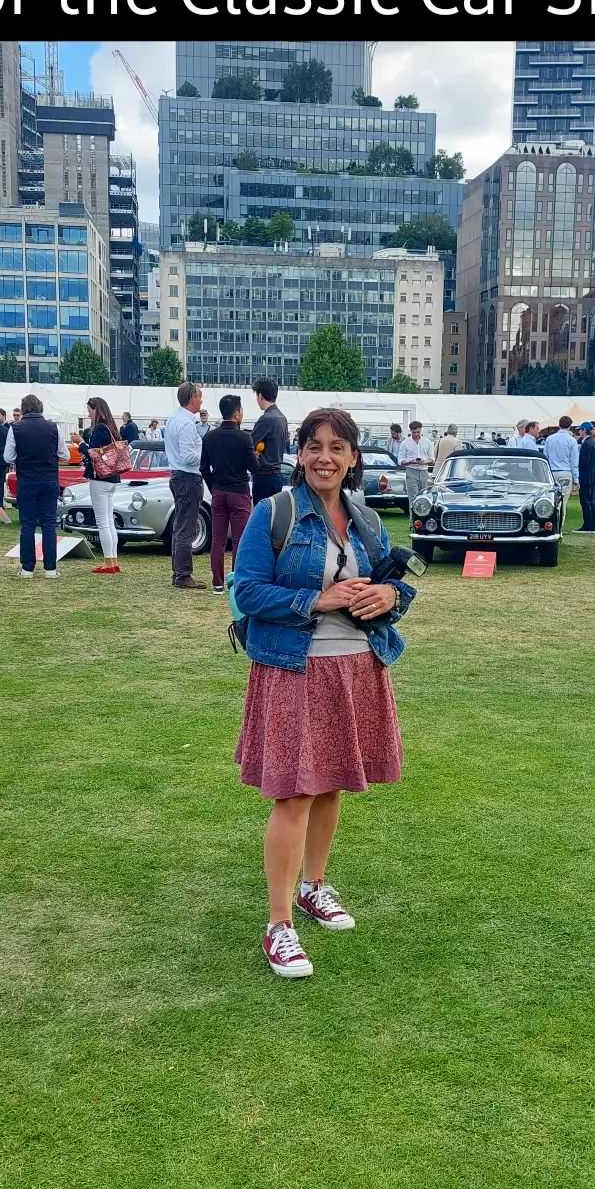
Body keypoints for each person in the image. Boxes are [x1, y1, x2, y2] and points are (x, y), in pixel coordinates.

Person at [234, 407, 416, 980]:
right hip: (295, 667)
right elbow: (247, 592)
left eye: (337, 448)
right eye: (314, 446)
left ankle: (314, 885)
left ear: (353, 457)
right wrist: (317, 600)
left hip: (357, 666)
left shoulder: (365, 516)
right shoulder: (274, 513)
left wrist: (390, 596)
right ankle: (279, 924)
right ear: (300, 454)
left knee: (332, 782)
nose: (325, 458)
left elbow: (392, 581)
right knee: (294, 793)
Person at [4, 395, 69, 580]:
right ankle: (50, 569)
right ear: (41, 408)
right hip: (49, 480)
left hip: (27, 481)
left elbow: (8, 457)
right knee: (49, 524)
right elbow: (64, 455)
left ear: (23, 409)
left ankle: (27, 569)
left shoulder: (15, 428)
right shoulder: (53, 427)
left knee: (27, 524)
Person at [200, 392, 257, 593]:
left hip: (219, 491)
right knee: (240, 540)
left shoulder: (209, 436)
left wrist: (213, 486)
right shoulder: (244, 438)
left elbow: (203, 468)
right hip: (239, 492)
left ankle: (217, 583)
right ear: (237, 413)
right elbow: (254, 467)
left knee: (218, 539)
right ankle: (235, 581)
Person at [164, 381, 207, 589]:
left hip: (178, 476)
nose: (201, 400)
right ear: (192, 398)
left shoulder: (174, 418)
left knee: (180, 526)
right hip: (188, 477)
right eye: (199, 396)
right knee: (186, 528)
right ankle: (183, 574)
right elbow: (188, 457)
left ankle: (179, 571)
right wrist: (206, 454)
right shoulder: (187, 424)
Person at [80, 396, 123, 575]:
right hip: (112, 478)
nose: (88, 414)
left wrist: (80, 444)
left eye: (90, 410)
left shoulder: (99, 428)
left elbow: (93, 453)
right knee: (109, 522)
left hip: (100, 479)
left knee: (103, 522)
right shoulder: (112, 427)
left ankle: (108, 561)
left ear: (96, 409)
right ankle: (113, 560)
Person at [250, 376, 289, 503]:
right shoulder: (283, 418)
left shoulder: (266, 418)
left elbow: (249, 444)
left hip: (264, 476)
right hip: (277, 475)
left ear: (260, 396)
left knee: (261, 513)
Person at [542, 416, 580, 528]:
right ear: (570, 426)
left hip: (551, 472)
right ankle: (559, 528)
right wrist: (576, 479)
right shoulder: (572, 440)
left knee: (550, 501)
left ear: (559, 425)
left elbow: (545, 456)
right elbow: (574, 461)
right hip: (565, 472)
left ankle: (550, 525)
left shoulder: (550, 439)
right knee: (563, 502)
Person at [396, 420, 433, 504]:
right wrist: (411, 461)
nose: (416, 434)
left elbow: (432, 459)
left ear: (421, 430)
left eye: (418, 432)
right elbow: (400, 461)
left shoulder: (427, 442)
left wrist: (424, 462)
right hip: (411, 471)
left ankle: (422, 513)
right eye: (414, 432)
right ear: (410, 431)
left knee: (424, 497)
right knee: (413, 498)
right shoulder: (405, 443)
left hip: (424, 471)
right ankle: (413, 513)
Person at [576, 422, 595, 532]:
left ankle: (588, 525)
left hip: (586, 476)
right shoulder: (593, 442)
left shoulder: (587, 443)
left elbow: (584, 462)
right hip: (592, 475)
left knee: (586, 501)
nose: (579, 432)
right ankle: (591, 525)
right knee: (590, 501)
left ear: (584, 430)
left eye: (580, 430)